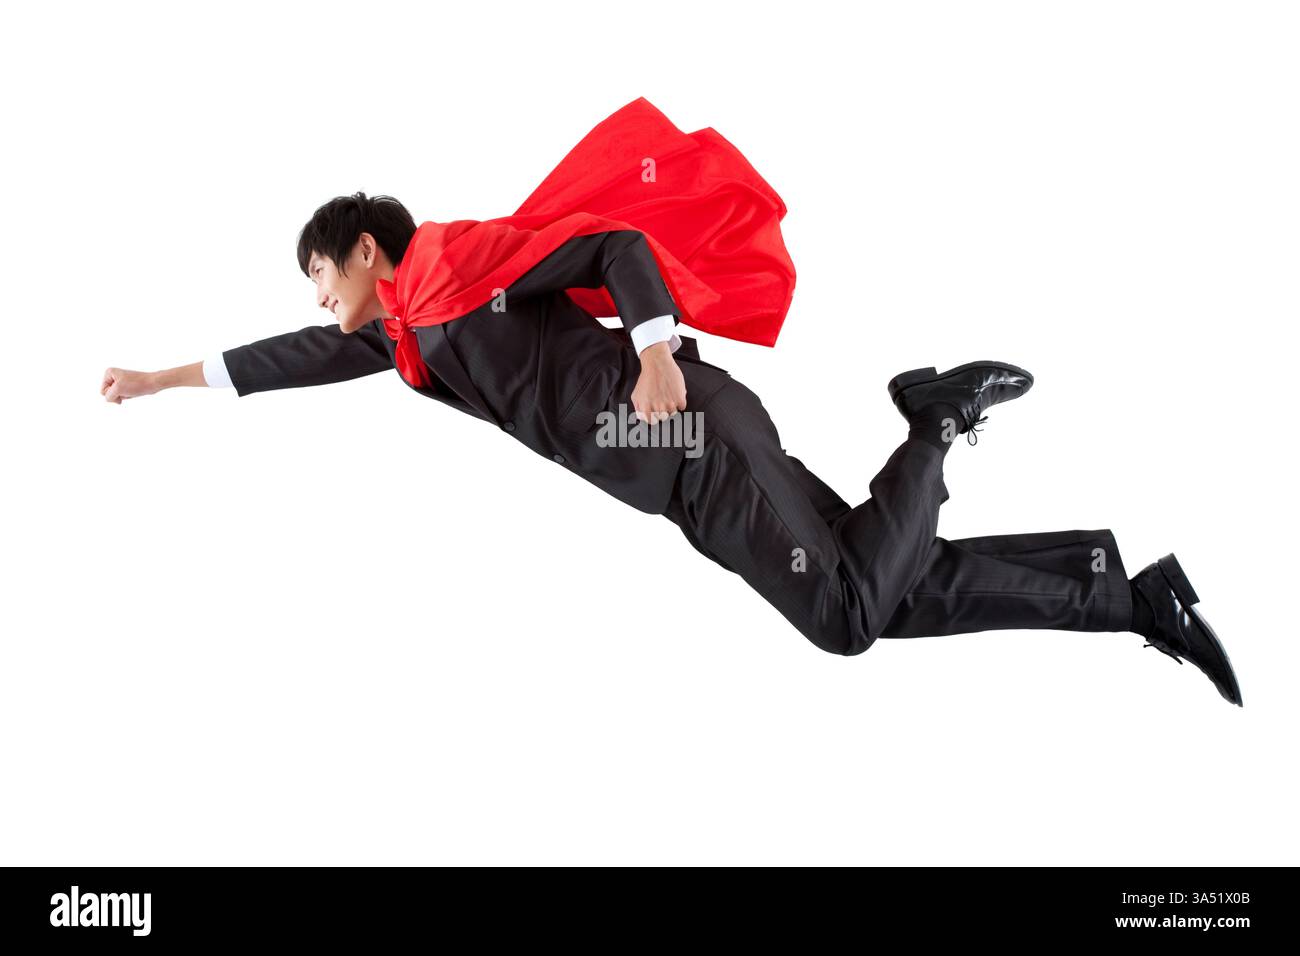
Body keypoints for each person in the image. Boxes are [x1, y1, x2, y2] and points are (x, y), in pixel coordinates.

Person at [100, 106, 1243, 708]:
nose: (318, 299)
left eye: (321, 274)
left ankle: (933, 420)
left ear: (364, 250)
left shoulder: (459, 265)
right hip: (682, 472)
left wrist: (654, 352)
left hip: (687, 435)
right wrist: (166, 377)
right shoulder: (411, 335)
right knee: (883, 591)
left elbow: (612, 239)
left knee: (843, 620)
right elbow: (304, 354)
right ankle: (1123, 595)